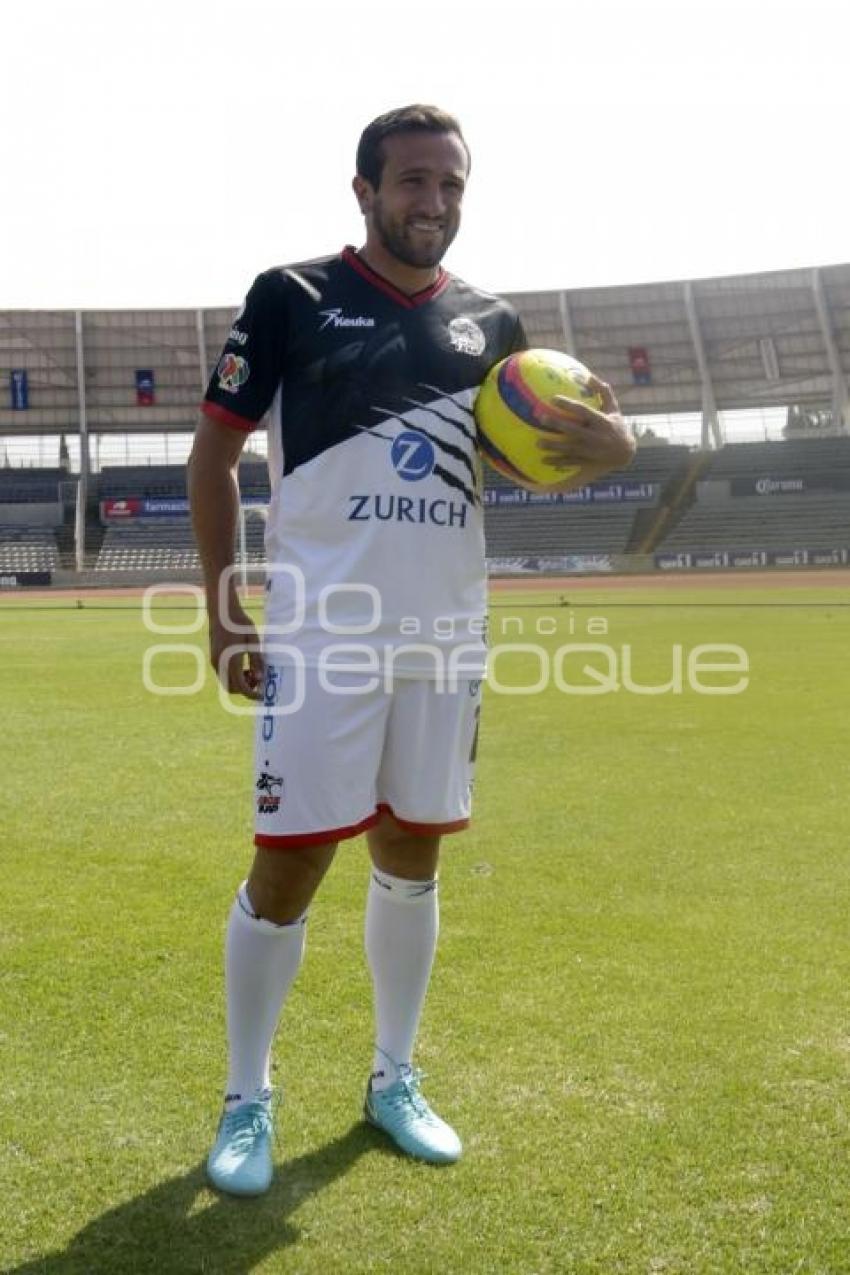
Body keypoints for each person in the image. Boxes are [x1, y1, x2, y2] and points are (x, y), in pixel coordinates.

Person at [189, 103, 634, 1197]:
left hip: (444, 634)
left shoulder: (497, 325)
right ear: (365, 192)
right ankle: (247, 1098)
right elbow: (213, 456)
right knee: (290, 863)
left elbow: (536, 456)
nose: (431, 203)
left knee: (413, 856)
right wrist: (224, 606)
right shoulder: (291, 297)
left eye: (450, 186)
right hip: (322, 634)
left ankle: (394, 1078)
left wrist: (618, 444)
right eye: (412, 182)